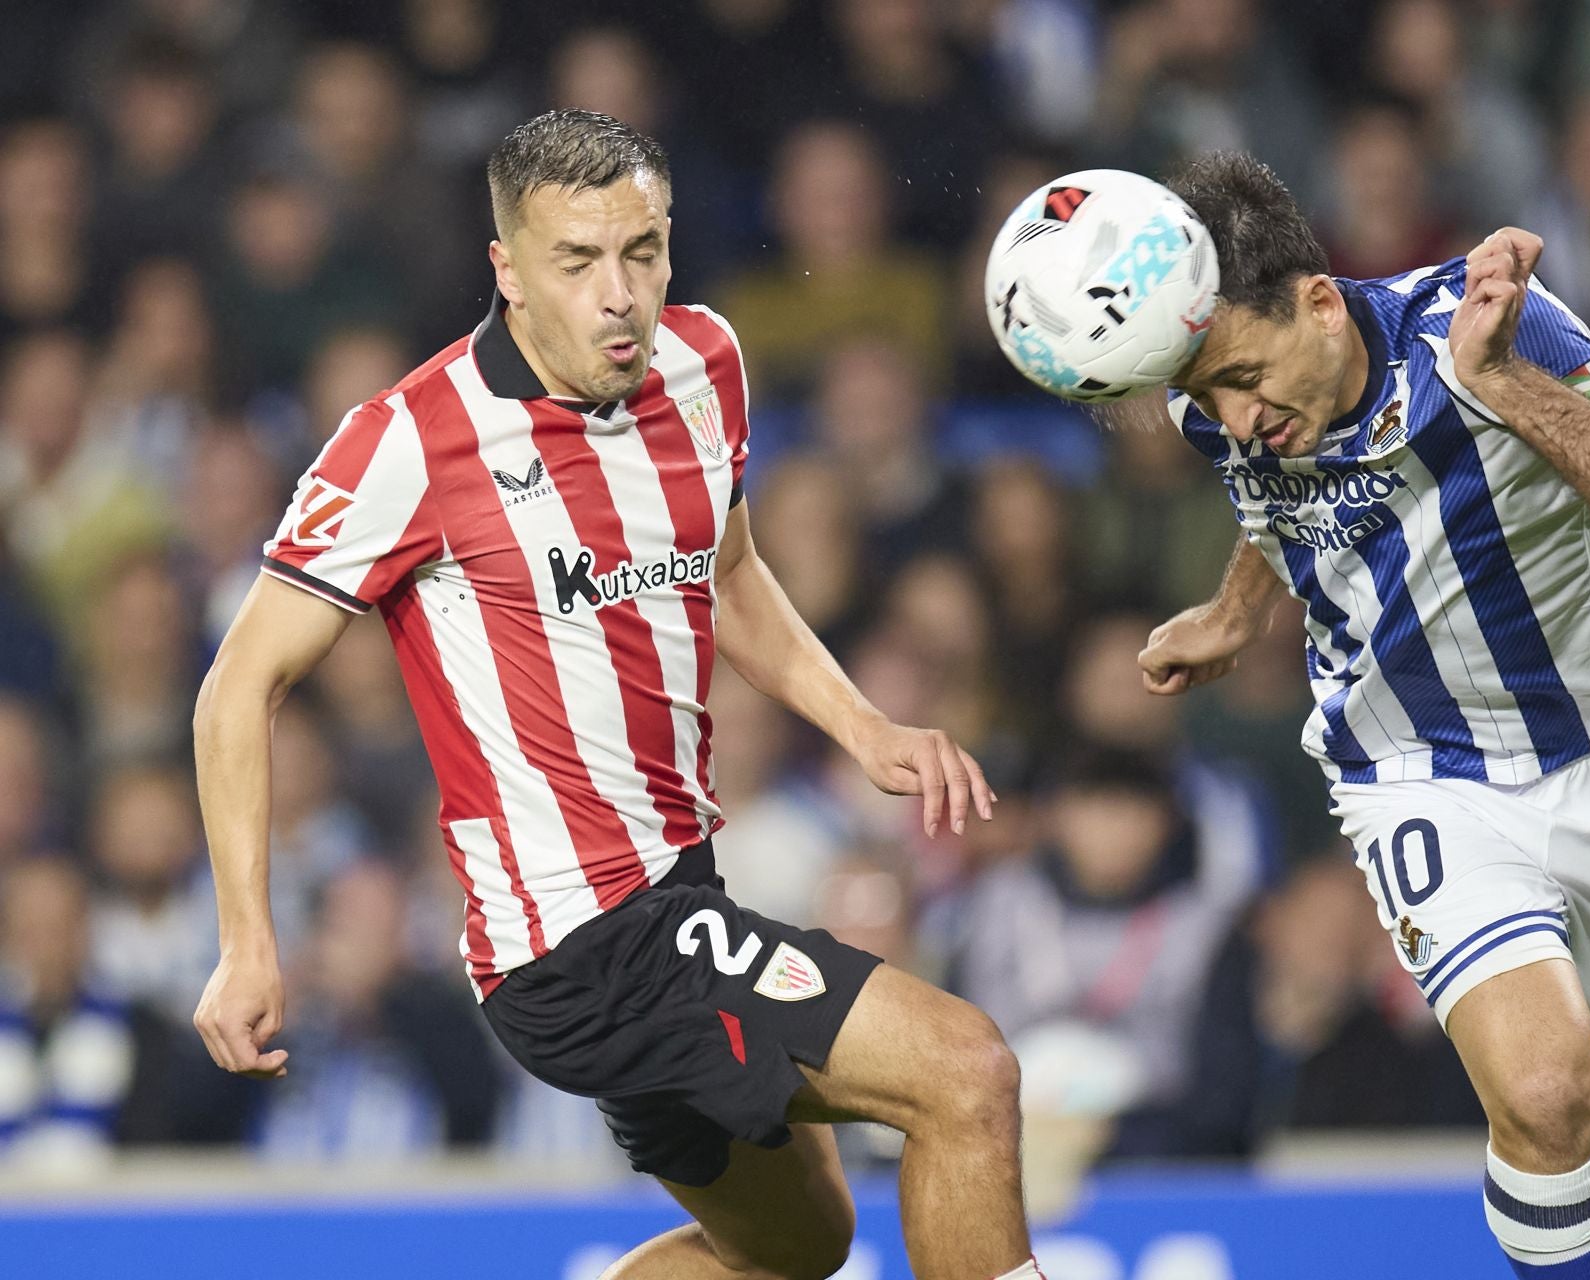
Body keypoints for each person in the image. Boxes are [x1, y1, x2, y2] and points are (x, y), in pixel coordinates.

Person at [191, 110, 1043, 1280]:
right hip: (578, 940)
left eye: (642, 252)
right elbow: (238, 685)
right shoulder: (408, 440)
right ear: (508, 269)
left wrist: (864, 724)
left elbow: (729, 574)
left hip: (679, 893)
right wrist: (248, 942)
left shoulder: (706, 363)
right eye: (577, 261)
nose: (619, 295)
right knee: (966, 1068)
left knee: (802, 1244)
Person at [1138, 152, 1590, 1279]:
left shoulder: (1491, 329)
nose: (1234, 416)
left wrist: (1498, 385)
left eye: (1250, 378)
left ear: (1321, 302)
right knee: (1546, 1093)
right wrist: (1234, 609)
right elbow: (1278, 490)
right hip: (1418, 768)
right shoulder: (1225, 401)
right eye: (1211, 393)